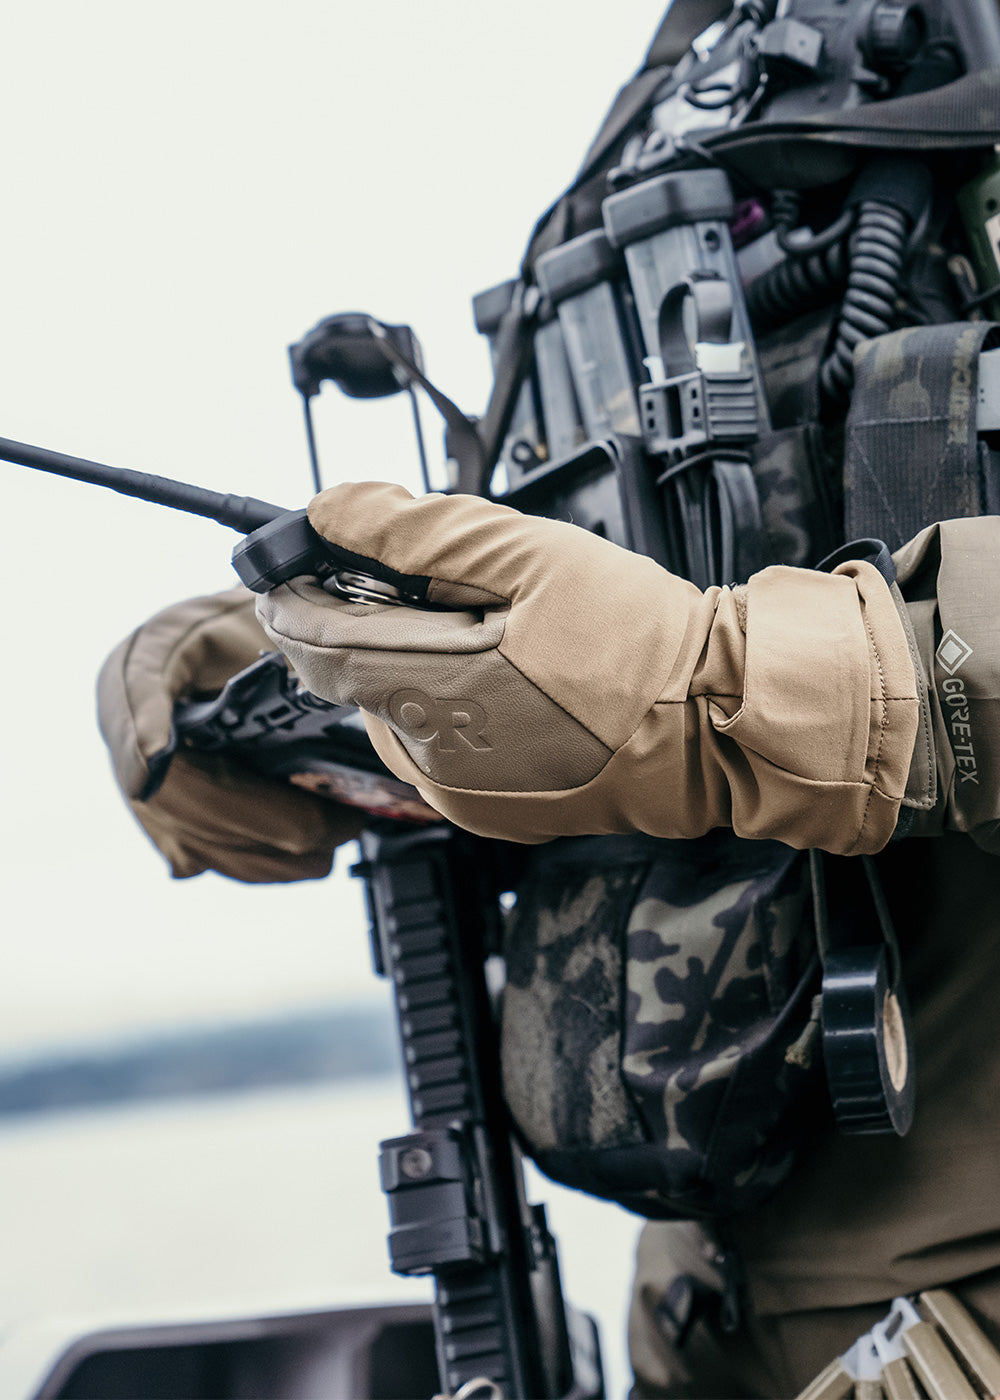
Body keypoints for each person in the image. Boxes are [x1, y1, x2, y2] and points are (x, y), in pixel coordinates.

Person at [96, 3, 1000, 1394]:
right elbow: (639, 557)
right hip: (723, 1327)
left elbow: (693, 672)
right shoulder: (706, 79)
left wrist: (737, 685)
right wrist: (327, 669)